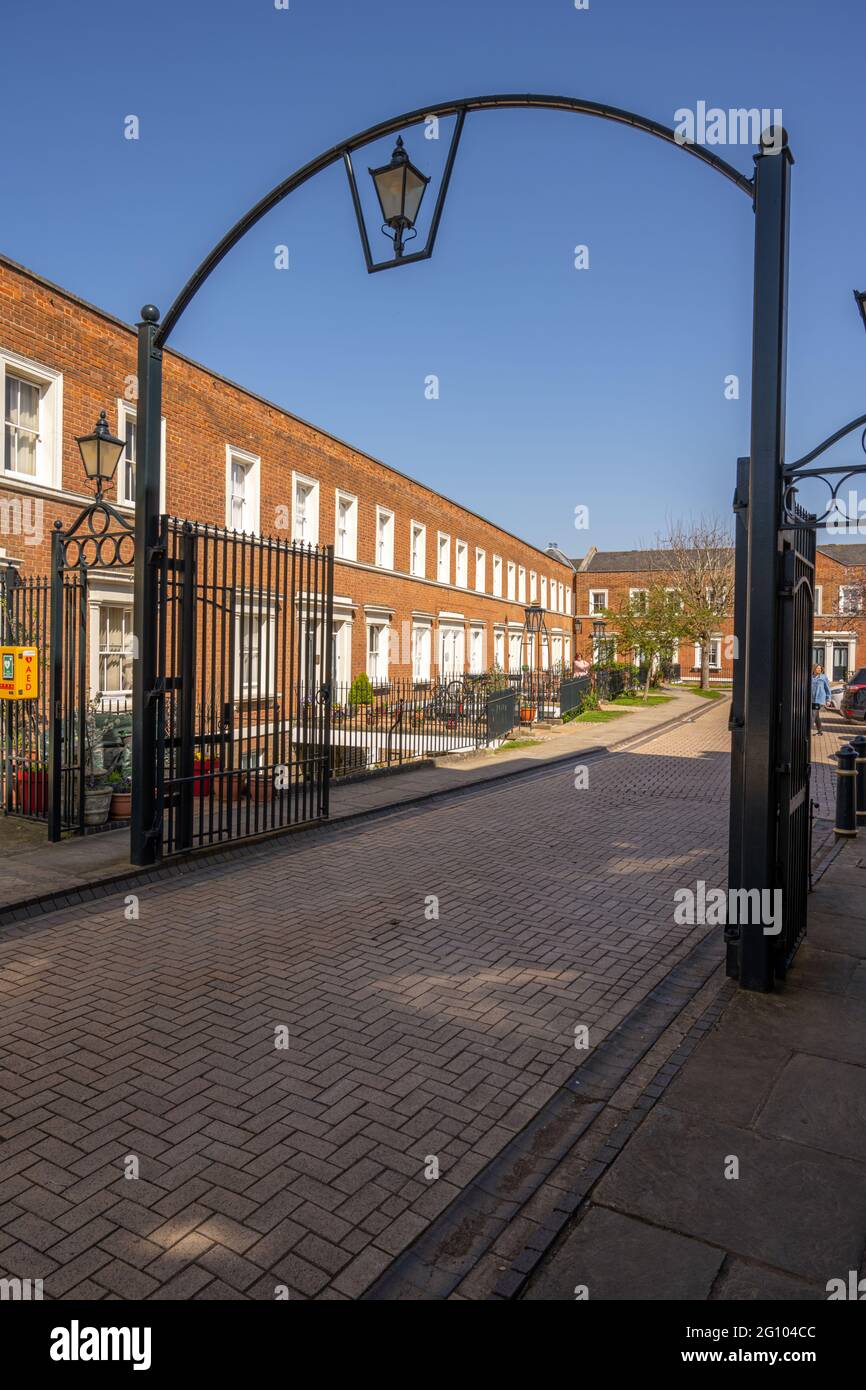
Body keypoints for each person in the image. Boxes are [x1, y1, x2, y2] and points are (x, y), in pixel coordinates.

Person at [811, 663, 832, 734]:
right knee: (816, 716)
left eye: (820, 668)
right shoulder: (811, 677)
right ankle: (820, 731)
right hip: (811, 699)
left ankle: (808, 730)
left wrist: (828, 699)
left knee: (813, 714)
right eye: (817, 668)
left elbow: (827, 689)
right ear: (814, 669)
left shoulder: (823, 677)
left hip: (819, 700)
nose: (819, 669)